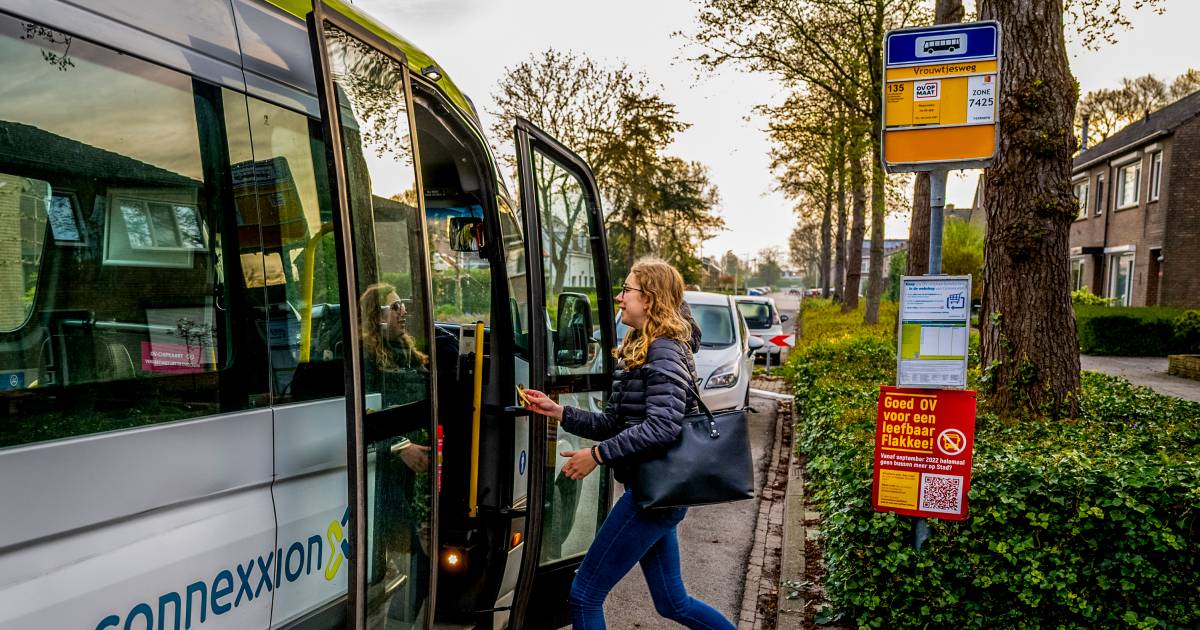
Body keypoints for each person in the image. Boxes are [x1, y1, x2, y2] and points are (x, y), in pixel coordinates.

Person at [521, 258, 736, 630]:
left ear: (649, 299)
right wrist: (558, 411)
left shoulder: (664, 348)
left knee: (585, 593)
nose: (619, 298)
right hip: (657, 493)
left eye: (627, 290)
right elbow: (615, 422)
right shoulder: (644, 344)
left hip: (651, 496)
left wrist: (597, 455)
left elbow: (662, 427)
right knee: (673, 602)